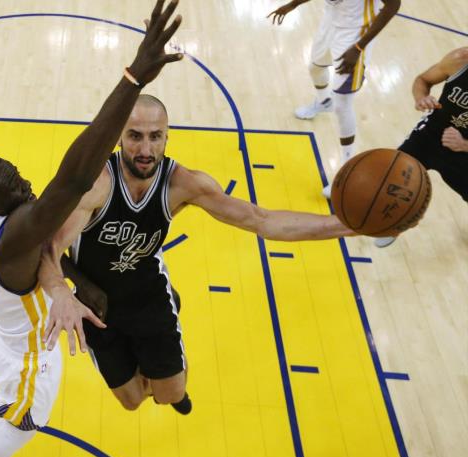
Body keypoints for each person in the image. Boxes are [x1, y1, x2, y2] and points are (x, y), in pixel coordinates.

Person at [0, 1, 184, 457]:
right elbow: (74, 177)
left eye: (17, 173)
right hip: (30, 352)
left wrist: (75, 278)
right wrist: (132, 77)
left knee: (7, 396)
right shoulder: (14, 236)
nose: (26, 186)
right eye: (14, 186)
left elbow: (44, 251)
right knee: (28, 425)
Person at [39, 94, 356, 414]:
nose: (145, 150)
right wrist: (61, 293)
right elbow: (49, 249)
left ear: (167, 136)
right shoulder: (96, 186)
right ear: (119, 136)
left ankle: (168, 365)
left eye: (155, 136)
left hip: (147, 294)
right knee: (132, 402)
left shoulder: (184, 184)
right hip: (96, 304)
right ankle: (154, 365)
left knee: (172, 394)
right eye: (135, 136)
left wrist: (347, 226)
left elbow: (263, 220)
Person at [350, 47, 468, 248]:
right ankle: (389, 225)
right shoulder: (460, 60)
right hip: (429, 137)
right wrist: (421, 98)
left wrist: (464, 144)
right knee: (391, 179)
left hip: (463, 151)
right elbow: (422, 80)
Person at [268, 0, 400, 164]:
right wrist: (293, 4)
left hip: (355, 35)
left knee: (342, 103)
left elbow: (393, 5)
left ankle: (347, 164)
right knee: (315, 68)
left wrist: (359, 47)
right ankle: (324, 102)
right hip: (330, 24)